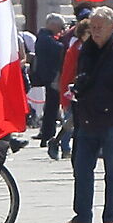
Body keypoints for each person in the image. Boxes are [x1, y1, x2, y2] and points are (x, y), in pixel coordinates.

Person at [61, 6, 113, 223]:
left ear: (112, 27)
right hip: (87, 118)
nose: (95, 31)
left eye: (99, 27)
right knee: (81, 169)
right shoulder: (87, 49)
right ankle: (82, 217)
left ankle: (110, 218)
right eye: (92, 27)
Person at [31, 11, 68, 154]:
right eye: (60, 26)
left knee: (51, 106)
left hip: (50, 75)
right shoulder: (45, 38)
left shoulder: (46, 37)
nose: (61, 29)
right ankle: (47, 134)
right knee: (51, 107)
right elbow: (59, 48)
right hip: (51, 76)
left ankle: (47, 133)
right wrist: (64, 39)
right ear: (52, 25)